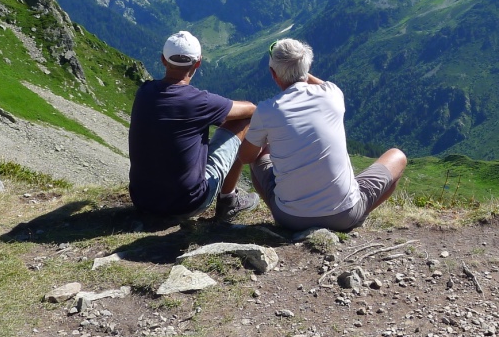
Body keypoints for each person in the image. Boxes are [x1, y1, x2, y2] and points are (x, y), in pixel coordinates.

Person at [243, 38, 406, 232]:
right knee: (398, 156)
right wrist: (299, 71)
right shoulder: (333, 94)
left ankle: (281, 216)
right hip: (345, 216)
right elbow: (324, 84)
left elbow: (246, 157)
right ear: (308, 67)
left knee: (257, 151)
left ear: (273, 73)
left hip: (290, 219)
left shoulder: (266, 110)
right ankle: (359, 215)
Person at [128, 30, 262, 221]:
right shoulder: (199, 101)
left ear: (163, 60)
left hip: (142, 201)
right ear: (198, 62)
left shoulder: (144, 92)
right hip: (187, 204)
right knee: (243, 121)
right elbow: (251, 109)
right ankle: (229, 201)